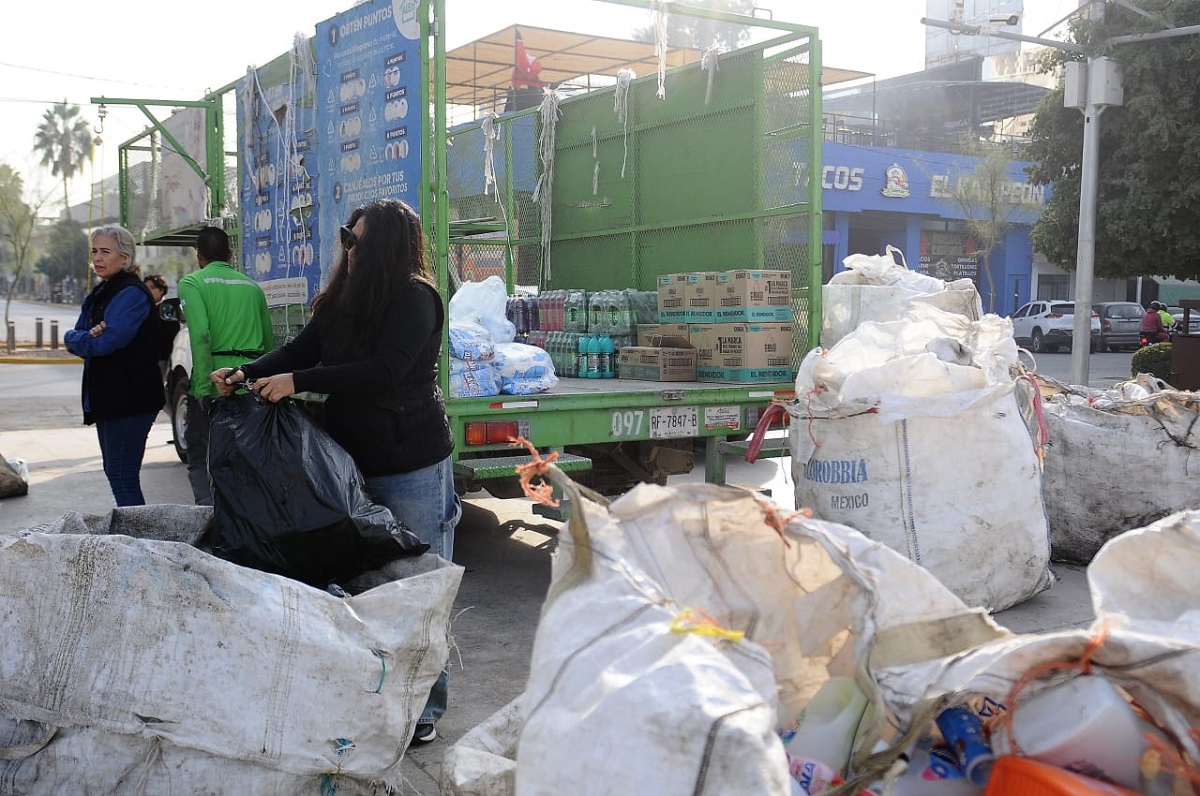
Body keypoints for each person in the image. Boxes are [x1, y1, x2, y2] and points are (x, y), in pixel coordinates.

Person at [211, 198, 461, 745]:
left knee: (418, 587)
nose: (347, 248)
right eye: (346, 237)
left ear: (385, 247)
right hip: (348, 463)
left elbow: (385, 371)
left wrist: (300, 383)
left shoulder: (415, 298)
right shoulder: (344, 298)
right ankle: (370, 694)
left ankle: (424, 708)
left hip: (411, 463)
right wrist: (247, 372)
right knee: (360, 584)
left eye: (357, 240)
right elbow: (301, 349)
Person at [63, 225, 164, 506]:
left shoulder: (130, 293)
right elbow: (77, 336)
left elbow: (107, 343)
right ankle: (135, 531)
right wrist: (79, 337)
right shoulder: (102, 291)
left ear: (125, 257)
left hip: (131, 399)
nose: (97, 258)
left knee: (122, 476)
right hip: (110, 398)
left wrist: (85, 339)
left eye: (105, 252)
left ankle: (138, 533)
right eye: (94, 251)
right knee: (116, 473)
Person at [177, 226, 274, 505]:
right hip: (250, 386)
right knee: (246, 464)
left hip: (215, 386)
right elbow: (269, 344)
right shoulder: (252, 287)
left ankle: (210, 519)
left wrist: (202, 389)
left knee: (202, 460)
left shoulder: (192, 283)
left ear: (199, 255)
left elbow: (201, 336)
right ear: (230, 254)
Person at [143, 273, 181, 383]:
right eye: (145, 287)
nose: (148, 290)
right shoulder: (142, 309)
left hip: (161, 360)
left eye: (152, 287)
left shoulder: (166, 310)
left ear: (161, 290)